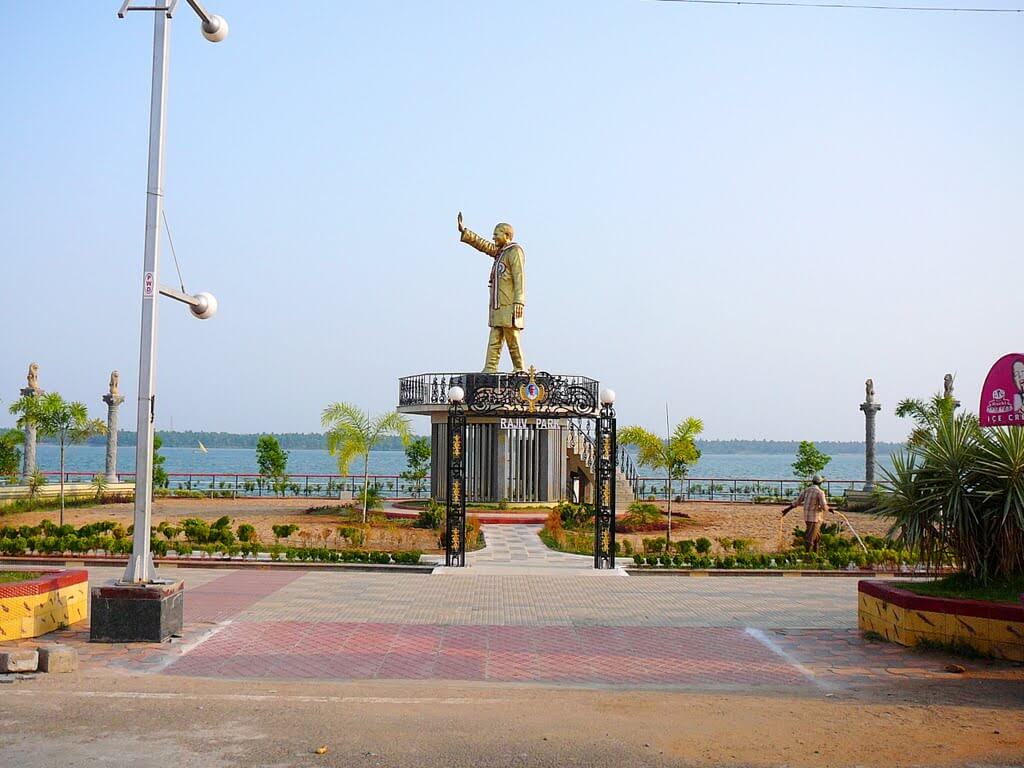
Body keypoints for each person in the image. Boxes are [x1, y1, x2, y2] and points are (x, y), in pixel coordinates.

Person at [457, 212, 526, 373]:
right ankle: (490, 368)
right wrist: (465, 231)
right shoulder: (500, 253)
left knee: (512, 337)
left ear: (506, 235)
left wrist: (519, 301)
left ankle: (520, 369)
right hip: (497, 304)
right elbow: (485, 246)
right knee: (495, 336)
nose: (493, 237)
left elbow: (519, 276)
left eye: (496, 234)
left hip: (510, 304)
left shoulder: (514, 251)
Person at [780, 474, 832, 552]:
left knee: (816, 537)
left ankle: (815, 553)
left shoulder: (806, 490)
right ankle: (807, 555)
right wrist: (830, 509)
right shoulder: (820, 492)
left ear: (812, 482)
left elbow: (797, 502)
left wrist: (787, 509)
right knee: (810, 538)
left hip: (807, 517)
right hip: (815, 518)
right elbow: (824, 506)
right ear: (820, 483)